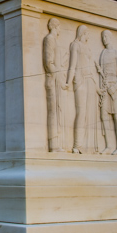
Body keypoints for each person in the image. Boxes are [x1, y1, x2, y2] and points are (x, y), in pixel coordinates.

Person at [65, 25, 99, 153]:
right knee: (81, 112)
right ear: (82, 33)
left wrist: (97, 86)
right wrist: (68, 81)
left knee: (90, 113)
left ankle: (88, 146)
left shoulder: (88, 47)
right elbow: (72, 65)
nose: (88, 36)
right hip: (80, 80)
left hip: (90, 80)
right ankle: (77, 145)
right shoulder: (75, 45)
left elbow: (91, 67)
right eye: (87, 33)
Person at [97, 30, 117, 154]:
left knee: (116, 117)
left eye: (106, 36)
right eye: (103, 37)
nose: (104, 39)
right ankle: (109, 145)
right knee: (103, 115)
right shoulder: (103, 53)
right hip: (105, 86)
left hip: (113, 86)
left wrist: (115, 87)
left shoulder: (115, 52)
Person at [43, 18, 65, 151]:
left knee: (59, 110)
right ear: (55, 26)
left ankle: (59, 143)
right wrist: (58, 77)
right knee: (53, 111)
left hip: (58, 78)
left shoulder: (55, 40)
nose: (60, 29)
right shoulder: (49, 39)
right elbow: (48, 62)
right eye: (59, 26)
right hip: (53, 79)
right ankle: (53, 144)